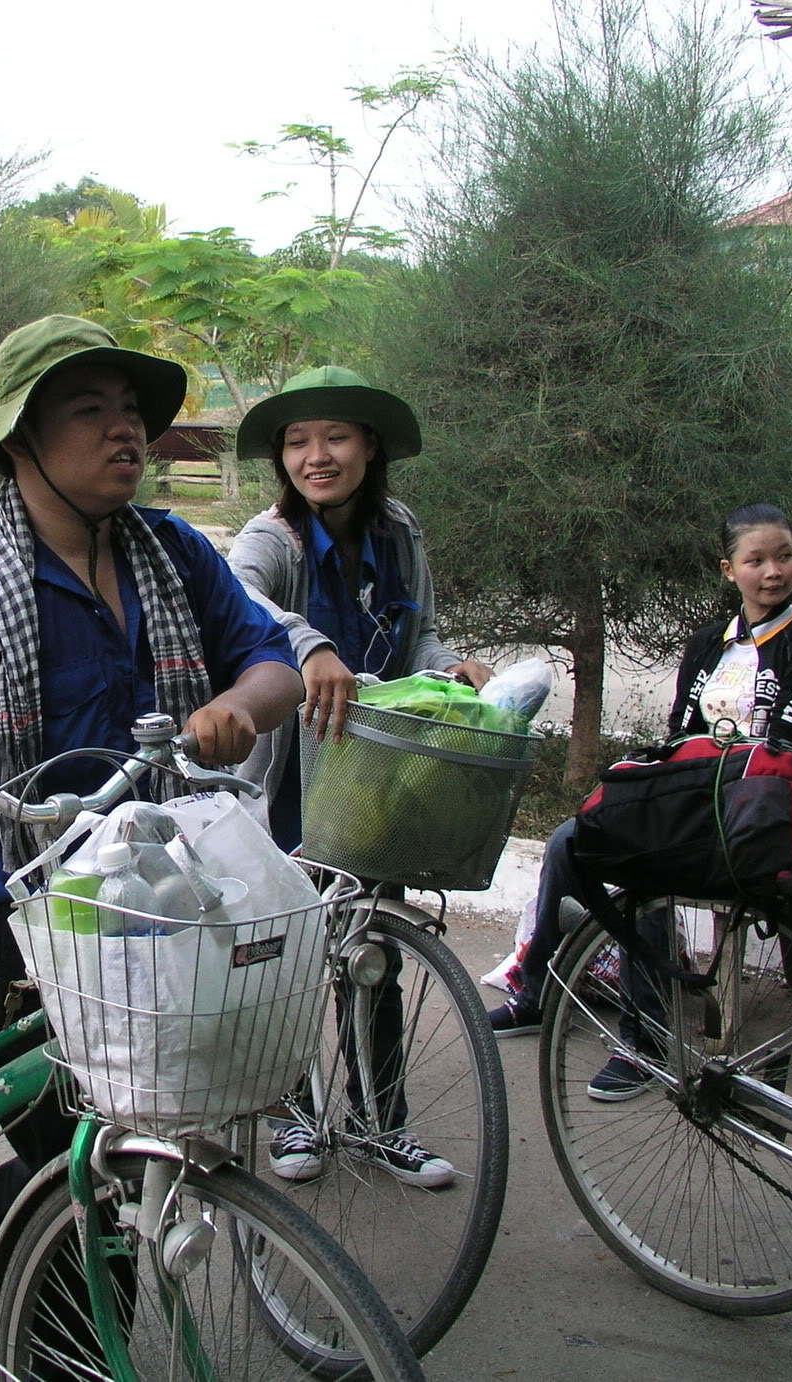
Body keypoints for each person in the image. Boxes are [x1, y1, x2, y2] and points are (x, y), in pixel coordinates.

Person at [0, 315, 302, 1237]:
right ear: (21, 442)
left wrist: (242, 707)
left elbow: (267, 660)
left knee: (157, 1129)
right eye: (89, 410)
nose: (127, 431)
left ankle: (20, 1209)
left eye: (131, 412)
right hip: (23, 919)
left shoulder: (175, 553)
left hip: (166, 900)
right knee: (74, 1177)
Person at [226, 365, 490, 1189]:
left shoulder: (400, 530)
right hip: (293, 784)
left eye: (335, 436)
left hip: (377, 775)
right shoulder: (273, 537)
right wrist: (309, 644)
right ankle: (295, 1115)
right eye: (298, 442)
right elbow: (234, 595)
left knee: (376, 951)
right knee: (296, 951)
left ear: (369, 448)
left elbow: (422, 637)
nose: (317, 456)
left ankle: (382, 1123)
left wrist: (456, 667)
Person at [487, 503, 792, 1101]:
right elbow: (679, 733)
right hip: (696, 803)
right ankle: (537, 992)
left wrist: (705, 762)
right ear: (730, 570)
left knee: (646, 864)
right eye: (756, 560)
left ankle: (643, 1037)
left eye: (785, 556)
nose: (773, 572)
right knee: (570, 842)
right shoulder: (707, 644)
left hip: (758, 817)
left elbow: (790, 739)